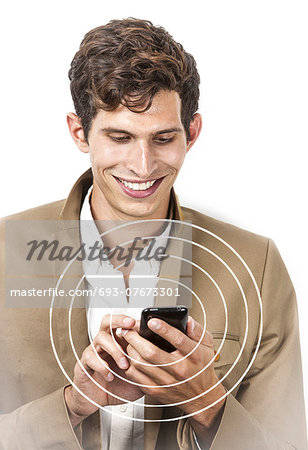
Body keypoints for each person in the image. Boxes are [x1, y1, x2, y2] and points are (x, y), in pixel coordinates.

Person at [0, 18, 306, 450]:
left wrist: (208, 403)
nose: (143, 166)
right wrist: (73, 404)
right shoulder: (5, 251)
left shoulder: (255, 266)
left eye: (163, 138)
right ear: (78, 132)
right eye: (120, 137)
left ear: (191, 133)